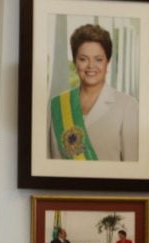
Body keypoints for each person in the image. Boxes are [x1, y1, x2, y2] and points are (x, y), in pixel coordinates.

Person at [49, 24, 139, 161]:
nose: (91, 66)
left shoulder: (127, 106)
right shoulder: (56, 105)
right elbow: (48, 164)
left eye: (98, 59)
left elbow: (133, 167)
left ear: (107, 62)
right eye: (83, 59)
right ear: (75, 62)